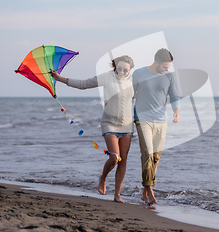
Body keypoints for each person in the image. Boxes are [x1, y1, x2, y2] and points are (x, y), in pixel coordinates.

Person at [50, 55, 134, 203]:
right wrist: (60, 78)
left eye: (125, 70)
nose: (121, 72)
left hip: (127, 126)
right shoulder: (107, 77)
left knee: (123, 160)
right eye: (119, 69)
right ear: (115, 67)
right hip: (109, 123)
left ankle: (117, 195)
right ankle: (103, 177)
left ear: (130, 70)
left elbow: (145, 98)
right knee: (114, 158)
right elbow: (84, 84)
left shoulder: (133, 81)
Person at [133, 48, 180, 205]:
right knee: (147, 154)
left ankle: (145, 188)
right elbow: (129, 93)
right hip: (142, 118)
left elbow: (174, 96)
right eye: (164, 67)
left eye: (168, 67)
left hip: (161, 120)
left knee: (155, 157)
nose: (166, 69)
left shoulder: (169, 76)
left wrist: (176, 112)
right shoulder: (139, 74)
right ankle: (150, 190)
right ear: (156, 62)